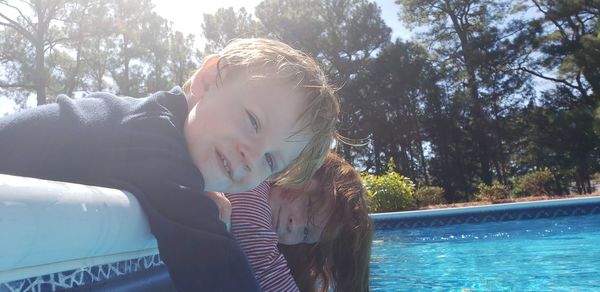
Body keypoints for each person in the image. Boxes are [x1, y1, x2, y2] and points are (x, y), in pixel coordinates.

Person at [0, 38, 339, 291]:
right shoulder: (149, 131)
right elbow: (211, 263)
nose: (250, 154)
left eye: (270, 159)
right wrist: (193, 204)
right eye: (252, 121)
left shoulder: (164, 147)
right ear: (207, 80)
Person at [213, 152, 373, 291]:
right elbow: (261, 259)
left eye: (305, 233)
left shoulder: (281, 252)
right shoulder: (254, 179)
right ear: (300, 171)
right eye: (308, 206)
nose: (294, 225)